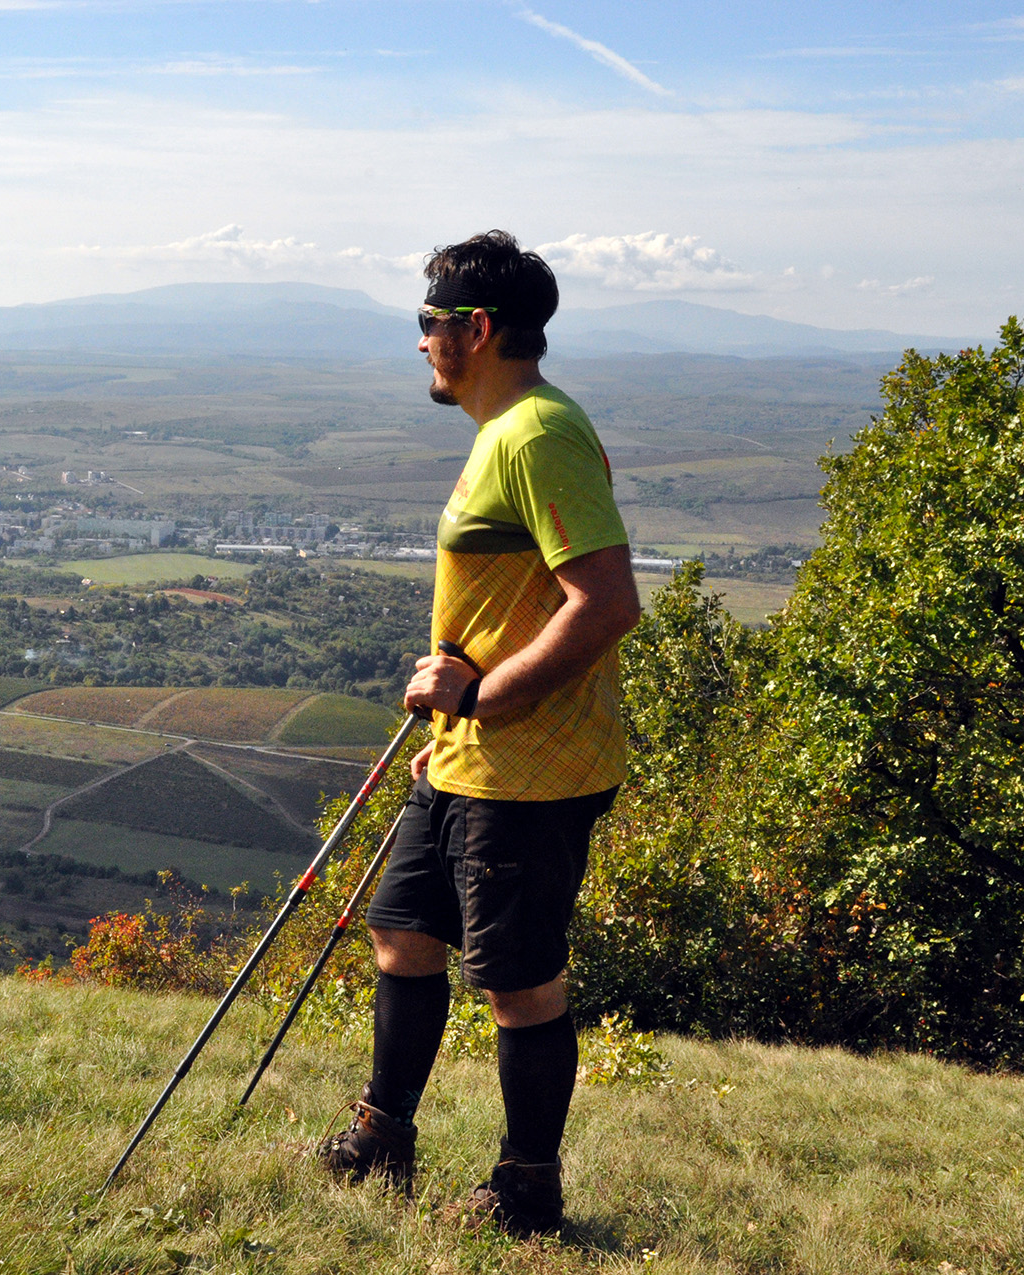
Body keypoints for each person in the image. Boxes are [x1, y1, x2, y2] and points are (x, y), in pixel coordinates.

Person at [316, 230, 641, 1237]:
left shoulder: (539, 431)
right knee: (402, 935)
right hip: (468, 756)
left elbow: (605, 602)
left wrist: (483, 698)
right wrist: (458, 723)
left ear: (478, 328)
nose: (421, 343)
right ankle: (383, 1138)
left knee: (516, 982)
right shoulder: (502, 431)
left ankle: (524, 1189)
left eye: (430, 324)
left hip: (530, 770)